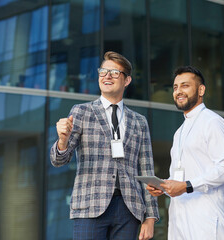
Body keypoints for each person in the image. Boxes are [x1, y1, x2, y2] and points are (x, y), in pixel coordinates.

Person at [50, 51, 159, 240]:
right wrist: (62, 140)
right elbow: (59, 160)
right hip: (90, 206)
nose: (107, 76)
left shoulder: (139, 122)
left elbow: (147, 170)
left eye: (115, 73)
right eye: (103, 71)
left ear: (127, 80)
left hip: (129, 209)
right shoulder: (81, 112)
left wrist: (150, 217)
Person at [146, 66, 224, 240]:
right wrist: (164, 187)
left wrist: (187, 185)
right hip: (179, 220)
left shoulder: (213, 122)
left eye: (185, 86)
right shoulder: (179, 131)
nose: (178, 91)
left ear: (201, 90)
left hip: (206, 219)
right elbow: (180, 178)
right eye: (176, 87)